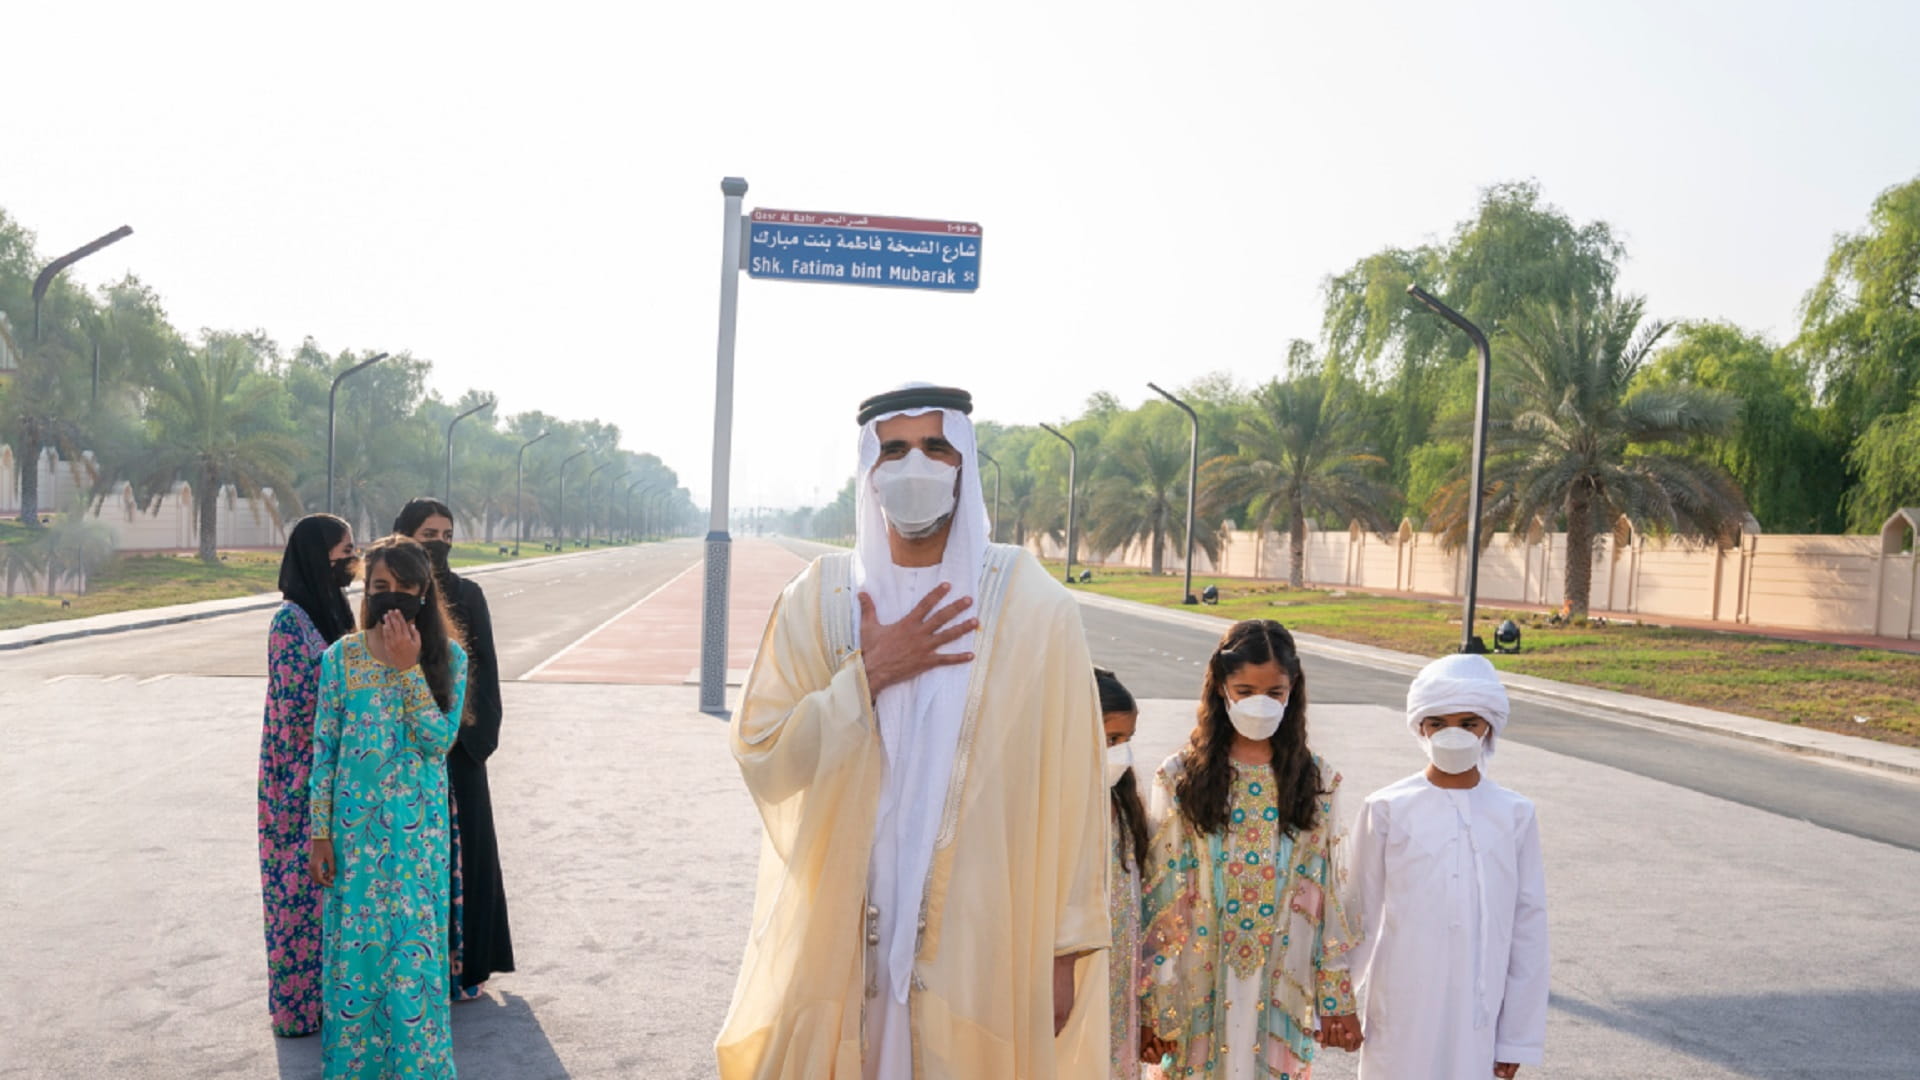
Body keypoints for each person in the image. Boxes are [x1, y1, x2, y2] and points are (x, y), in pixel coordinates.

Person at [716, 384, 1111, 1079]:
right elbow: (764, 754)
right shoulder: (822, 600)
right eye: (894, 449)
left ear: (965, 462)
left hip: (984, 940)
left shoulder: (1031, 604)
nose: (915, 466)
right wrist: (867, 674)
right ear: (869, 470)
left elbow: (1076, 796)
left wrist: (1065, 951)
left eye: (936, 446)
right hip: (844, 933)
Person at [1141, 619, 1361, 1079]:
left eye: (1274, 693)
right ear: (1221, 688)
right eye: (1245, 690)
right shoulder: (1180, 776)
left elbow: (1328, 895)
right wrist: (1153, 1003)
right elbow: (1160, 897)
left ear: (1292, 689)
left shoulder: (1315, 782)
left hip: (1281, 983)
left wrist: (1336, 997)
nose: (1260, 704)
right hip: (1196, 983)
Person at [309, 536, 469, 1079]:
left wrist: (407, 670)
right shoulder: (341, 658)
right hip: (354, 847)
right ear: (365, 591)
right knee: (357, 965)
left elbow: (438, 741)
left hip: (416, 846)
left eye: (404, 588)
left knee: (411, 965)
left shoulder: (448, 659)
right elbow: (324, 753)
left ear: (425, 594)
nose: (392, 597)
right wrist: (319, 834)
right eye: (380, 587)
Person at [1345, 654, 1549, 1080]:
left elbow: (1528, 927)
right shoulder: (1386, 807)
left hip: (1479, 1014)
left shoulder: (1514, 813)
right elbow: (1356, 913)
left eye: (1468, 723)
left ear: (1488, 727)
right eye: (1438, 723)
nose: (1453, 735)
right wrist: (1337, 1002)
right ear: (1421, 727)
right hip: (1402, 1006)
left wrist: (1515, 1036)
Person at [394, 497, 514, 1002]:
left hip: (459, 747)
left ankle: (468, 968)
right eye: (428, 534)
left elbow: (483, 669)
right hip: (401, 747)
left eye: (446, 534)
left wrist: (474, 739)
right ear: (405, 537)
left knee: (468, 855)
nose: (439, 543)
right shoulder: (386, 594)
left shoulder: (468, 594)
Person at [258, 513, 357, 1037]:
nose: (351, 560)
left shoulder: (335, 611)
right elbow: (298, 706)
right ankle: (297, 1011)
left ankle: (333, 1001)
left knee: (331, 894)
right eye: (344, 551)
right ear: (318, 557)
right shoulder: (290, 621)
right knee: (295, 896)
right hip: (295, 778)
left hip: (331, 773)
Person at [1095, 668, 1160, 1079]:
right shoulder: (1048, 813)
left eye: (1125, 740)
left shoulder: (1126, 812)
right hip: (1072, 987)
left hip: (1120, 989)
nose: (1120, 753)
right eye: (1109, 740)